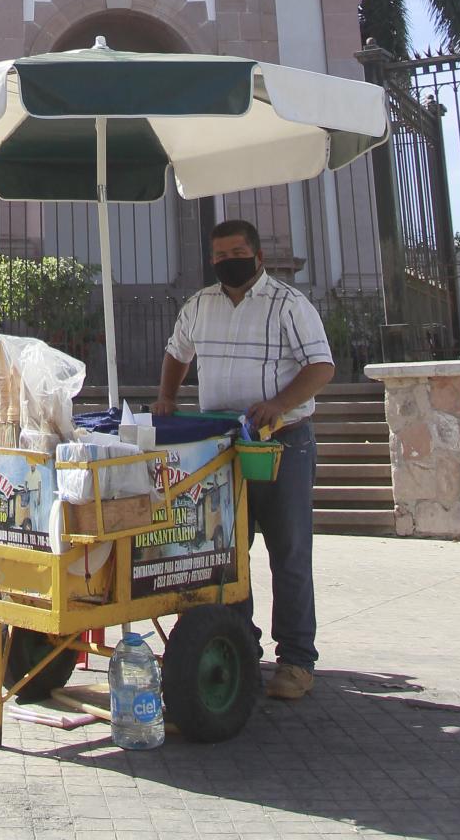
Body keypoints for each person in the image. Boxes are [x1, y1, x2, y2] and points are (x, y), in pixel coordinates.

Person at [154, 218, 335, 700]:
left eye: (234, 253)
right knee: (225, 552)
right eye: (217, 256)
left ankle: (296, 660)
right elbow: (177, 352)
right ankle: (240, 644)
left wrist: (278, 404)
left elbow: (322, 366)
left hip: (283, 445)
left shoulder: (288, 305)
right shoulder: (200, 305)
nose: (225, 262)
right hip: (222, 447)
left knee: (290, 552)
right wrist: (167, 398)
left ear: (257, 256)